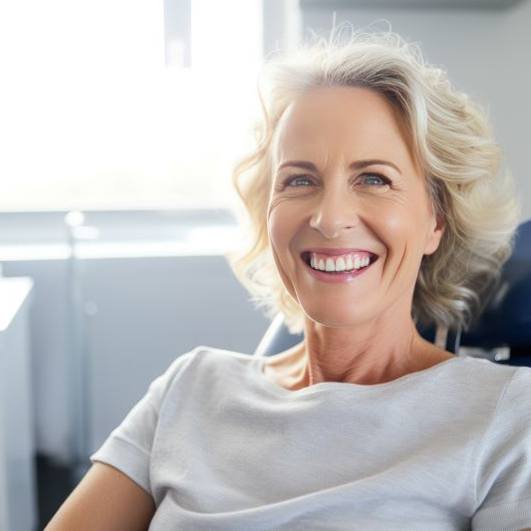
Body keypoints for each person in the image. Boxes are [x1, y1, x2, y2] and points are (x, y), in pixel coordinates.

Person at [45, 26, 530, 530]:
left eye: (373, 179)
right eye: (300, 180)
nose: (329, 216)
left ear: (436, 220)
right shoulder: (188, 389)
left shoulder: (507, 416)